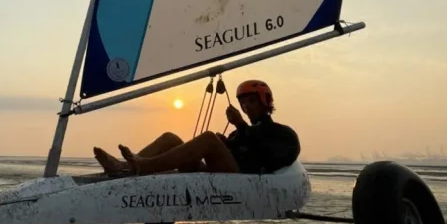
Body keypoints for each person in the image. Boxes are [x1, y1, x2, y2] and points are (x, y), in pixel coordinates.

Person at [92, 79, 300, 177]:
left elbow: (270, 155)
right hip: (213, 172)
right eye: (243, 103)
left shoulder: (283, 133)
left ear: (265, 101)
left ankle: (142, 166)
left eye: (252, 102)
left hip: (241, 179)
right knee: (170, 137)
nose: (246, 107)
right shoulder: (240, 132)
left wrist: (240, 127)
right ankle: (124, 167)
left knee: (209, 138)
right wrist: (227, 143)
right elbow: (240, 145)